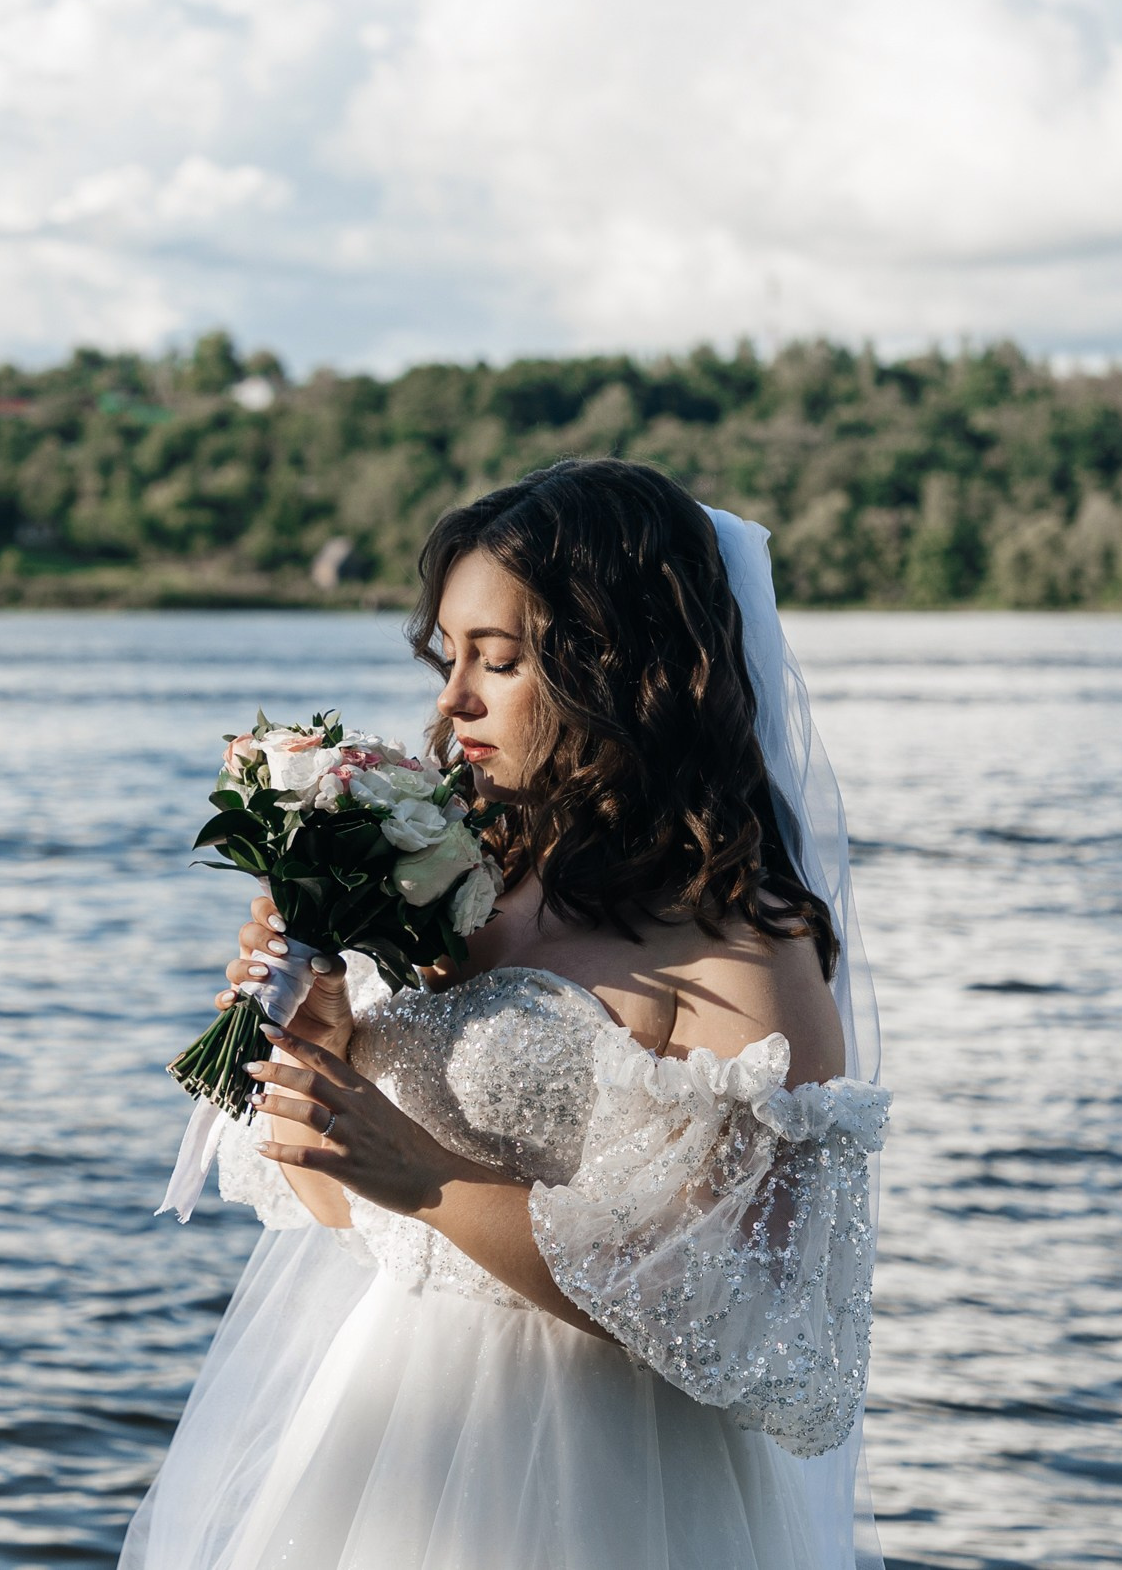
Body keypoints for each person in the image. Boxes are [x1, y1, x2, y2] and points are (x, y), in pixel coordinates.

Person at [120, 459, 889, 1570]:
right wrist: (319, 1036)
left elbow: (745, 1315)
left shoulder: (740, 944)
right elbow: (349, 1217)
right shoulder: (466, 876)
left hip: (604, 1479)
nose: (452, 703)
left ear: (619, 667)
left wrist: (426, 1175)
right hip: (381, 1430)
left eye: (502, 660)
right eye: (449, 658)